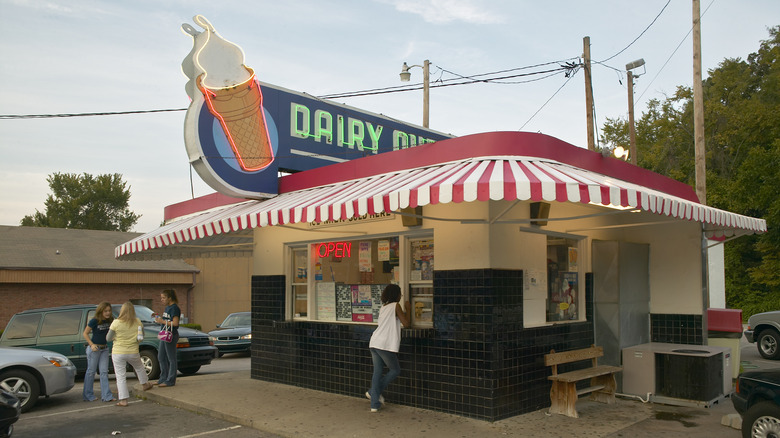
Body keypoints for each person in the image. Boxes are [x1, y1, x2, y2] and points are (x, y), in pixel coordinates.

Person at [366, 284, 410, 412]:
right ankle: (373, 392)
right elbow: (407, 324)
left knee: (377, 372)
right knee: (395, 370)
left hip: (374, 342)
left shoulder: (384, 307)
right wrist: (408, 309)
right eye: (400, 294)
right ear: (396, 295)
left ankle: (374, 404)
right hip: (384, 344)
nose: (401, 296)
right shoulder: (396, 306)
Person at [107, 302, 153, 406]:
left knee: (120, 376)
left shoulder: (116, 322)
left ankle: (124, 400)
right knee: (139, 367)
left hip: (118, 352)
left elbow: (108, 338)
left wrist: (115, 338)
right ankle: (145, 384)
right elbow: (142, 335)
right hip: (133, 351)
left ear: (122, 311)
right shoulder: (137, 321)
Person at [82, 302, 116, 402]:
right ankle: (88, 395)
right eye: (105, 311)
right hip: (94, 349)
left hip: (104, 349)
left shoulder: (111, 320)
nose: (108, 313)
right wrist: (91, 345)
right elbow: (85, 333)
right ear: (101, 311)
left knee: (104, 372)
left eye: (109, 311)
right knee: (91, 372)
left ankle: (106, 396)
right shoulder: (94, 321)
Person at [154, 289, 181, 387]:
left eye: (164, 297)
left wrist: (162, 321)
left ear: (170, 298)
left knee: (171, 358)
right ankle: (163, 378)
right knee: (161, 356)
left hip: (171, 334)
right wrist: (159, 319)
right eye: (161, 298)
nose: (162, 300)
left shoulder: (174, 308)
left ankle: (170, 380)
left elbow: (175, 323)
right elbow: (166, 319)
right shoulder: (167, 308)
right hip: (163, 334)